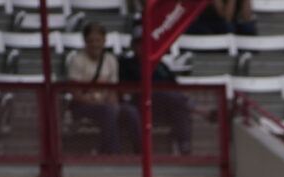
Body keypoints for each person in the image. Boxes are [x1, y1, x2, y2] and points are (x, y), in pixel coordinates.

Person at [66, 22, 142, 155]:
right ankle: (112, 154)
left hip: (105, 104)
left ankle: (141, 153)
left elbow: (113, 89)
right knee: (108, 111)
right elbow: (76, 94)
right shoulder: (77, 61)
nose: (95, 44)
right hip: (83, 105)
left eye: (98, 40)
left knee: (131, 112)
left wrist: (114, 104)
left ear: (104, 41)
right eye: (91, 40)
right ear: (85, 41)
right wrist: (98, 103)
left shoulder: (110, 60)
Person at [119, 25, 196, 156]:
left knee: (179, 104)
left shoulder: (160, 64)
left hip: (163, 107)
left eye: (146, 43)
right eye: (139, 43)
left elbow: (175, 86)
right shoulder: (126, 64)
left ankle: (185, 148)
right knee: (177, 101)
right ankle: (200, 112)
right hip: (140, 104)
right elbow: (126, 89)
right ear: (133, 46)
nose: (143, 46)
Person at [186, 0, 256, 35]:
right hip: (209, 22)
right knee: (228, 27)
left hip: (230, 22)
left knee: (248, 28)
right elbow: (226, 16)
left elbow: (246, 17)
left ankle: (246, 53)